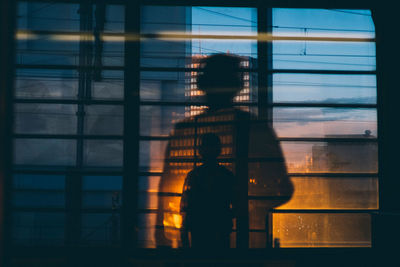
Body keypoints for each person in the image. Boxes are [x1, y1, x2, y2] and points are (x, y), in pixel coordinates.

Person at [155, 53, 293, 248]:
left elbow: (168, 196)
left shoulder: (184, 133)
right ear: (239, 86)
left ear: (201, 84)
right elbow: (283, 190)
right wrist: (248, 206)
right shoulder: (257, 130)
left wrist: (166, 238)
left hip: (197, 243)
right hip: (246, 243)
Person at [180, 133, 235, 249]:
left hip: (199, 229)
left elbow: (185, 207)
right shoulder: (227, 176)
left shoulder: (193, 176)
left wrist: (184, 233)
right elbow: (235, 205)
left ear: (200, 151)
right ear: (219, 150)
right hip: (220, 229)